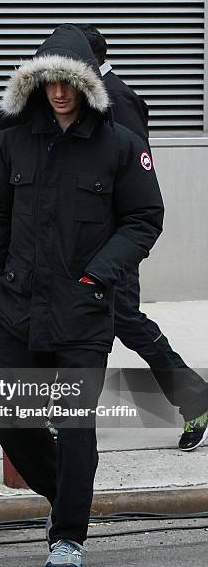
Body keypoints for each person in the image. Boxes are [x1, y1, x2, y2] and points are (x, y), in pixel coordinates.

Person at [0, 24, 163, 567]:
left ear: (87, 85)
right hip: (14, 307)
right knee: (11, 416)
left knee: (74, 421)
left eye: (70, 83)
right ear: (36, 84)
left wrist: (97, 276)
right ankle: (71, 496)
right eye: (50, 82)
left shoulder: (120, 145)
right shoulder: (11, 142)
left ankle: (69, 535)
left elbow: (144, 219)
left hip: (81, 308)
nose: (59, 93)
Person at [74, 25, 208, 452]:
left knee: (122, 322)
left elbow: (132, 177)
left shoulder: (118, 99)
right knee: (86, 327)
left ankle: (196, 399)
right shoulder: (90, 96)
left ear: (89, 58)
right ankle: (72, 422)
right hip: (83, 240)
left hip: (113, 244)